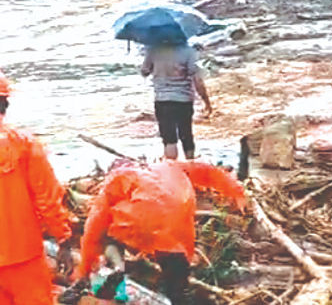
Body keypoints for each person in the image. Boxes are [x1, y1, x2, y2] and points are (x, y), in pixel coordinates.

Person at [75, 160, 246, 304]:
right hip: (178, 219)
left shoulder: (116, 179)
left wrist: (84, 270)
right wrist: (236, 190)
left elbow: (93, 228)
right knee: (175, 270)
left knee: (108, 234)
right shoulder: (170, 166)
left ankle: (118, 267)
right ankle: (177, 293)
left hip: (141, 221)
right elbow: (207, 172)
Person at [0, 70, 74, 305]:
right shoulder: (24, 144)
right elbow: (48, 199)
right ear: (5, 104)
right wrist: (63, 238)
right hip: (23, 256)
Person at [141, 43, 212, 160]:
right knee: (186, 134)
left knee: (169, 138)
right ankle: (191, 165)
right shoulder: (188, 52)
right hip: (184, 100)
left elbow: (144, 71)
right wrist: (206, 101)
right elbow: (197, 80)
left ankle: (172, 170)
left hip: (162, 100)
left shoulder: (153, 51)